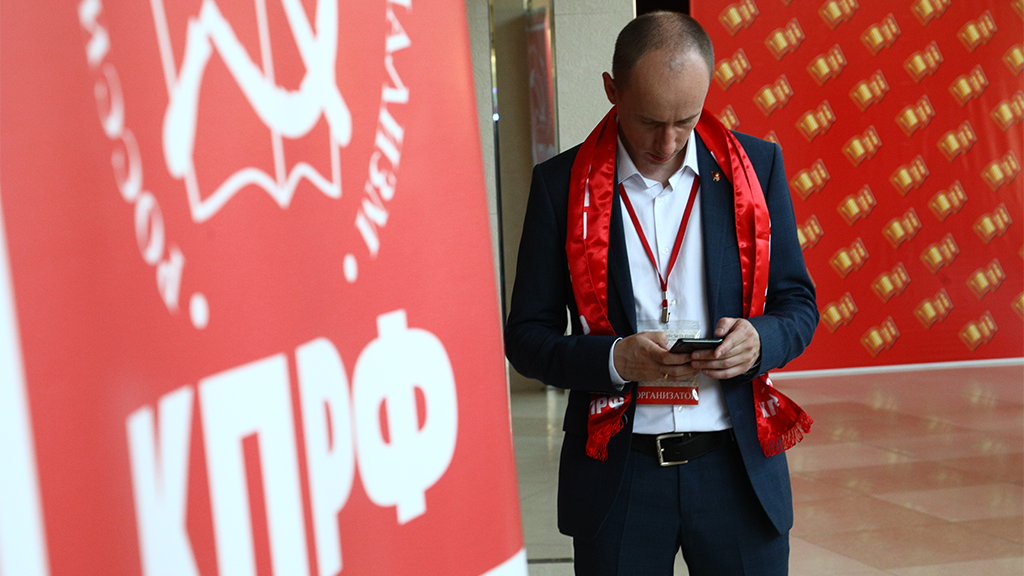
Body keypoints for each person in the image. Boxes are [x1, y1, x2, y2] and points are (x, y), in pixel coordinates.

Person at [504, 11, 819, 576]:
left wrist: (760, 340)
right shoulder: (561, 186)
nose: (668, 142)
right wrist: (613, 359)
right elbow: (526, 338)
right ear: (612, 90)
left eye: (686, 120)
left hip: (736, 473)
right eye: (650, 121)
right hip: (619, 477)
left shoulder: (755, 170)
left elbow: (798, 305)